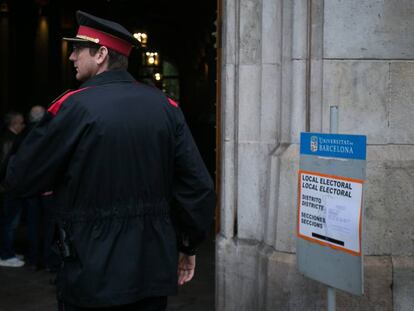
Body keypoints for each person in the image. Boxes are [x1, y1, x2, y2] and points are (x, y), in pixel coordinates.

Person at [2, 10, 215, 311]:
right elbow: (199, 186)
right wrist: (188, 244)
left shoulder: (73, 108)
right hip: (150, 271)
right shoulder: (166, 107)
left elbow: (18, 177)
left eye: (77, 48)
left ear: (101, 53)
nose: (71, 57)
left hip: (90, 273)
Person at [0, 111, 26, 267]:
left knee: (10, 222)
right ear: (14, 124)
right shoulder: (9, 140)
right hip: (8, 189)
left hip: (8, 188)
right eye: (22, 122)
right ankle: (5, 255)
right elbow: (4, 166)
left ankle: (8, 252)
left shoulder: (9, 138)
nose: (24, 125)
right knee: (8, 223)